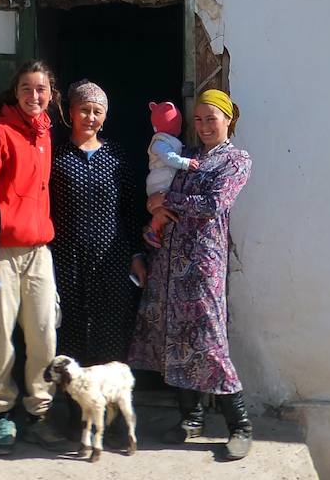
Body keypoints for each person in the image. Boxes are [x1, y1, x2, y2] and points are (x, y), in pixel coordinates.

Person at [127, 89, 255, 460]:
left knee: (209, 342)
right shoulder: (189, 157)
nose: (203, 126)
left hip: (203, 266)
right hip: (168, 262)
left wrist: (169, 201)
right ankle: (191, 419)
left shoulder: (236, 160)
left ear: (228, 119)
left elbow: (215, 205)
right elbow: (160, 194)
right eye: (197, 120)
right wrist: (156, 211)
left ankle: (240, 425)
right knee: (175, 339)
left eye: (210, 118)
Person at [0, 59, 68, 455]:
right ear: (16, 92)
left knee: (44, 334)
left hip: (39, 251)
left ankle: (39, 414)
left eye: (41, 89)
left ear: (50, 93)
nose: (34, 96)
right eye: (27, 88)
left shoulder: (45, 134)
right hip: (0, 255)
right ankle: (1, 415)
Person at [50, 80, 146, 367]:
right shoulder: (57, 156)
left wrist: (136, 254)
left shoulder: (116, 156)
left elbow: (131, 209)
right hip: (67, 257)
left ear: (104, 117)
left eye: (97, 111)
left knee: (111, 327)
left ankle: (105, 401)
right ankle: (74, 403)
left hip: (111, 258)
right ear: (71, 113)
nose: (90, 117)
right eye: (84, 110)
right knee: (69, 327)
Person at [141, 101, 198, 248]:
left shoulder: (169, 141)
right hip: (159, 183)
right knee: (162, 209)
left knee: (167, 210)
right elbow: (168, 157)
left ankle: (157, 231)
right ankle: (152, 230)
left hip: (164, 180)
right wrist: (185, 163)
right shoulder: (159, 142)